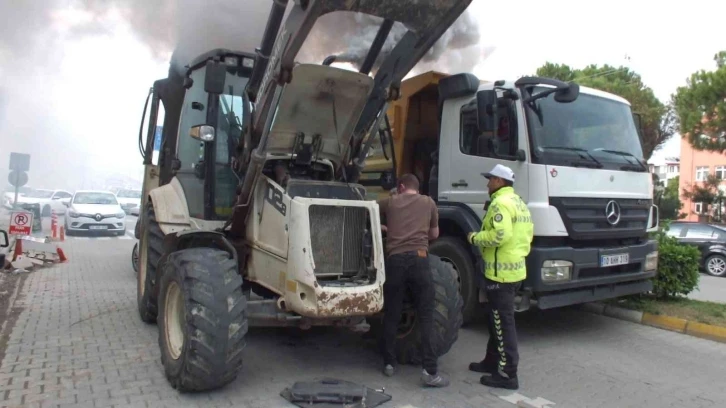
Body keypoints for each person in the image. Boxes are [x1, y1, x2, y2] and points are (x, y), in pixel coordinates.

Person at [377, 173, 449, 388]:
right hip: (419, 258)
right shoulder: (429, 202)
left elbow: (368, 211)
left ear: (400, 187)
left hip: (395, 260)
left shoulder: (390, 202)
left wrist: (386, 229)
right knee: (426, 315)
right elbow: (434, 234)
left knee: (392, 312)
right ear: (416, 188)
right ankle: (430, 372)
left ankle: (389, 363)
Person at [466, 164, 533, 390]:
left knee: (503, 324)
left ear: (499, 182)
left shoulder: (500, 204)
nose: (487, 183)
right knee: (495, 320)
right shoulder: (519, 203)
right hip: (514, 271)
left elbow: (499, 235)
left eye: (490, 179)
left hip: (500, 275)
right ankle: (491, 362)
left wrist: (475, 237)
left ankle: (507, 375)